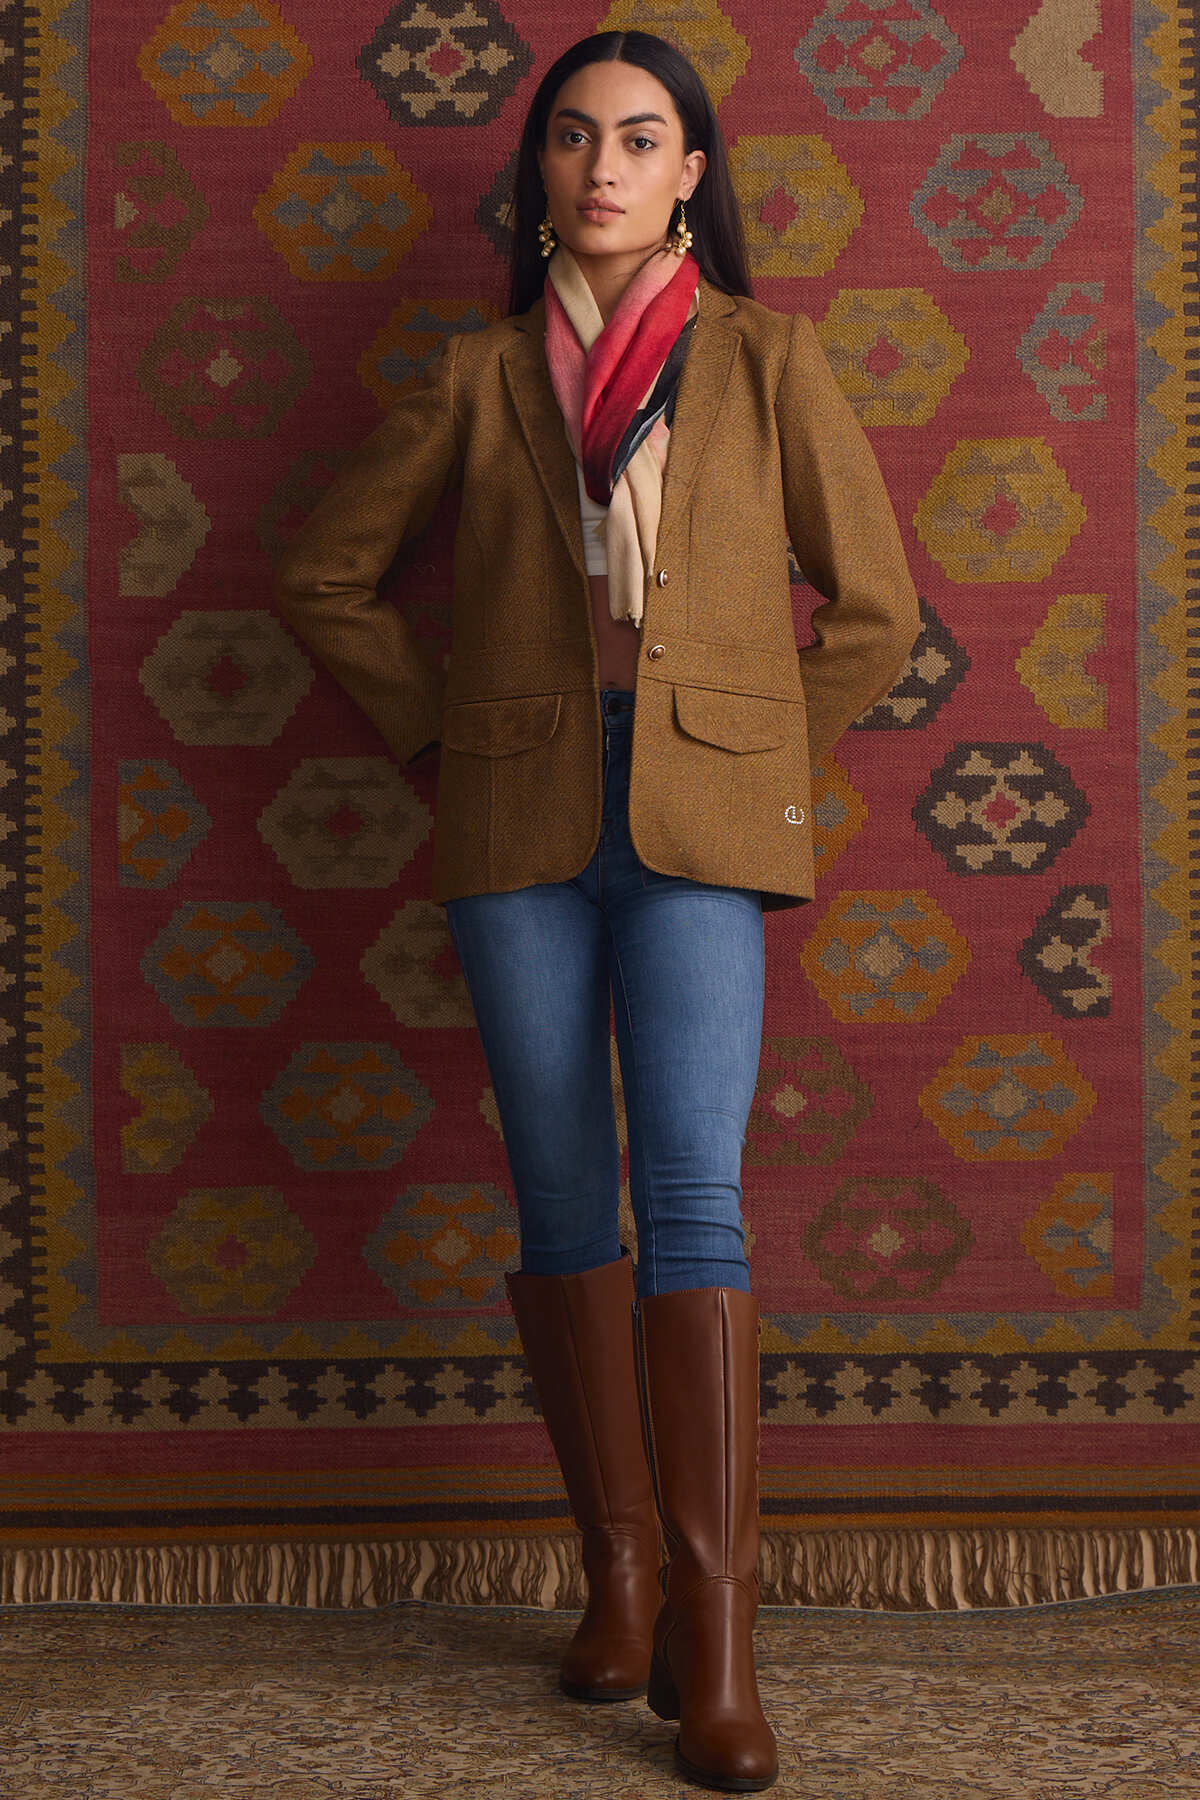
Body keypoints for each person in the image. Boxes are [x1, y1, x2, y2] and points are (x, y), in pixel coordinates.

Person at [274, 29, 920, 1794]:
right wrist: (441, 733)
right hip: (518, 807)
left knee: (695, 1199)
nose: (605, 166)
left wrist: (750, 752)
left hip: (700, 811)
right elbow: (324, 575)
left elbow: (874, 609)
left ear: (692, 172)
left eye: (641, 138)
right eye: (573, 138)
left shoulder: (770, 360)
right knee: (562, 1200)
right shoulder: (482, 375)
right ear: (541, 172)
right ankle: (617, 1579)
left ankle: (719, 1647)